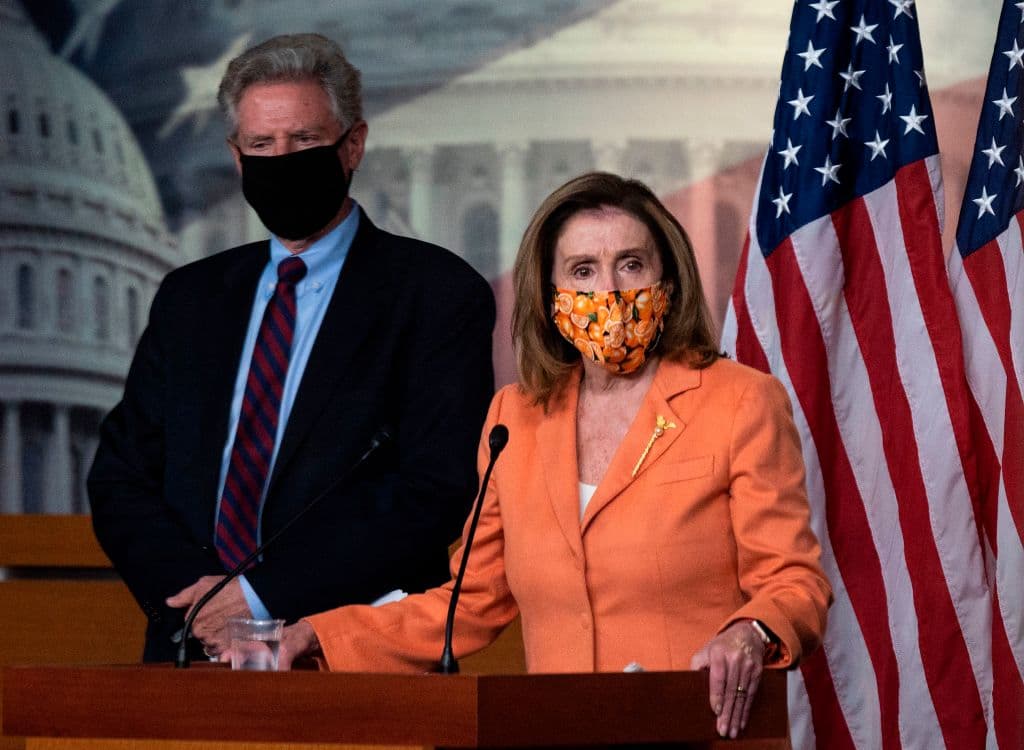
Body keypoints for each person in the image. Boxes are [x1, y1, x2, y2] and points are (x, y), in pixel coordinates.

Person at [266, 172, 832, 740]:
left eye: (631, 264)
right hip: (554, 732)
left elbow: (793, 582)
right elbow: (471, 598)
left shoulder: (740, 400)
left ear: (670, 278)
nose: (609, 290)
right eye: (582, 270)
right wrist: (323, 635)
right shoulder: (515, 417)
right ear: (550, 293)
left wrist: (750, 632)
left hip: (697, 732)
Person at [87, 33, 495, 663]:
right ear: (236, 155)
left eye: (304, 141)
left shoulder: (436, 294)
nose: (281, 159)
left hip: (351, 653)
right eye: (261, 145)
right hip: (187, 647)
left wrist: (255, 597)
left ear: (352, 144)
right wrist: (200, 603)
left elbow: (431, 491)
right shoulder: (189, 297)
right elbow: (121, 477)